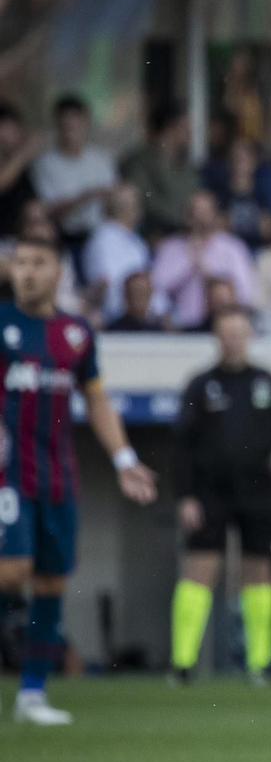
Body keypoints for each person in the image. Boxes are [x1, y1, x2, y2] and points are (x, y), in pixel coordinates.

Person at [0, 236, 157, 723]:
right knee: (13, 571)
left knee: (51, 580)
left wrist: (124, 458)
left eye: (38, 263)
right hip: (8, 475)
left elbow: (96, 398)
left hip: (58, 476)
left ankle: (32, 695)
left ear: (59, 272)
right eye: (20, 263)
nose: (27, 272)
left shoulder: (76, 333)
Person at [167, 306, 271, 685]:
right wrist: (186, 495)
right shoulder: (200, 385)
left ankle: (260, 662)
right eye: (226, 333)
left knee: (258, 570)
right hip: (209, 491)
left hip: (259, 491)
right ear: (217, 337)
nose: (233, 340)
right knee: (200, 568)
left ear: (249, 336)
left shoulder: (267, 382)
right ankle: (183, 662)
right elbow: (181, 445)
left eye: (239, 333)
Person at [149, 190, 256, 329]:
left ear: (215, 214)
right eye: (195, 212)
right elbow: (155, 290)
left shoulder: (233, 248)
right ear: (186, 215)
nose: (200, 218)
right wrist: (189, 264)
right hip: (179, 327)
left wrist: (210, 275)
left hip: (221, 327)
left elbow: (245, 294)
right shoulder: (170, 248)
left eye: (205, 212)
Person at [31, 94, 116, 248]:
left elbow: (114, 197)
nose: (71, 132)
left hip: (100, 236)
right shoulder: (44, 163)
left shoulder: (101, 159)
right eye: (66, 127)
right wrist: (85, 196)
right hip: (63, 238)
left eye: (75, 126)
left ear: (85, 124)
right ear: (57, 125)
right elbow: (45, 209)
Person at [120, 100, 199, 238]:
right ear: (169, 128)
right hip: (149, 237)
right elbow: (145, 201)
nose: (190, 132)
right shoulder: (139, 162)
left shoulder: (185, 164)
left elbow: (194, 196)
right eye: (185, 127)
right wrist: (185, 217)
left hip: (186, 238)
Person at [82, 183, 153, 326]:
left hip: (142, 316)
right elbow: (108, 284)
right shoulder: (102, 239)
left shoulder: (136, 241)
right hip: (115, 319)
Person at [211, 137, 266, 248]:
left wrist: (232, 221)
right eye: (235, 158)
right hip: (226, 248)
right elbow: (215, 225)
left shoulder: (262, 194)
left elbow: (267, 227)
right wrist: (253, 222)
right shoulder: (219, 193)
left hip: (255, 248)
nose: (239, 163)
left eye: (243, 159)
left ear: (253, 162)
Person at [0, 102, 43, 240]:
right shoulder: (20, 159)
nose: (15, 134)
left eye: (16, 128)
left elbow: (32, 206)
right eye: (8, 129)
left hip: (19, 240)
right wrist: (25, 152)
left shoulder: (24, 167)